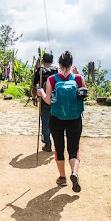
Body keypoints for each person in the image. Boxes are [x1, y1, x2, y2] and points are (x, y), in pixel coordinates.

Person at [37, 50, 86, 193]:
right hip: (75, 119)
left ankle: (62, 178)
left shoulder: (52, 79)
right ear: (71, 64)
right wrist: (78, 75)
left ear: (59, 64)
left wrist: (41, 93)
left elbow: (48, 101)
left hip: (57, 119)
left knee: (59, 149)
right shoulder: (78, 78)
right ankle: (74, 173)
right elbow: (83, 94)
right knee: (73, 149)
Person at [32, 52, 57, 151]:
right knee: (55, 121)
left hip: (44, 99)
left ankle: (47, 143)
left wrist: (34, 98)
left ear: (43, 60)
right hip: (55, 100)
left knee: (45, 121)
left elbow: (34, 86)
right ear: (52, 61)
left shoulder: (40, 71)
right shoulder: (56, 71)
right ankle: (57, 141)